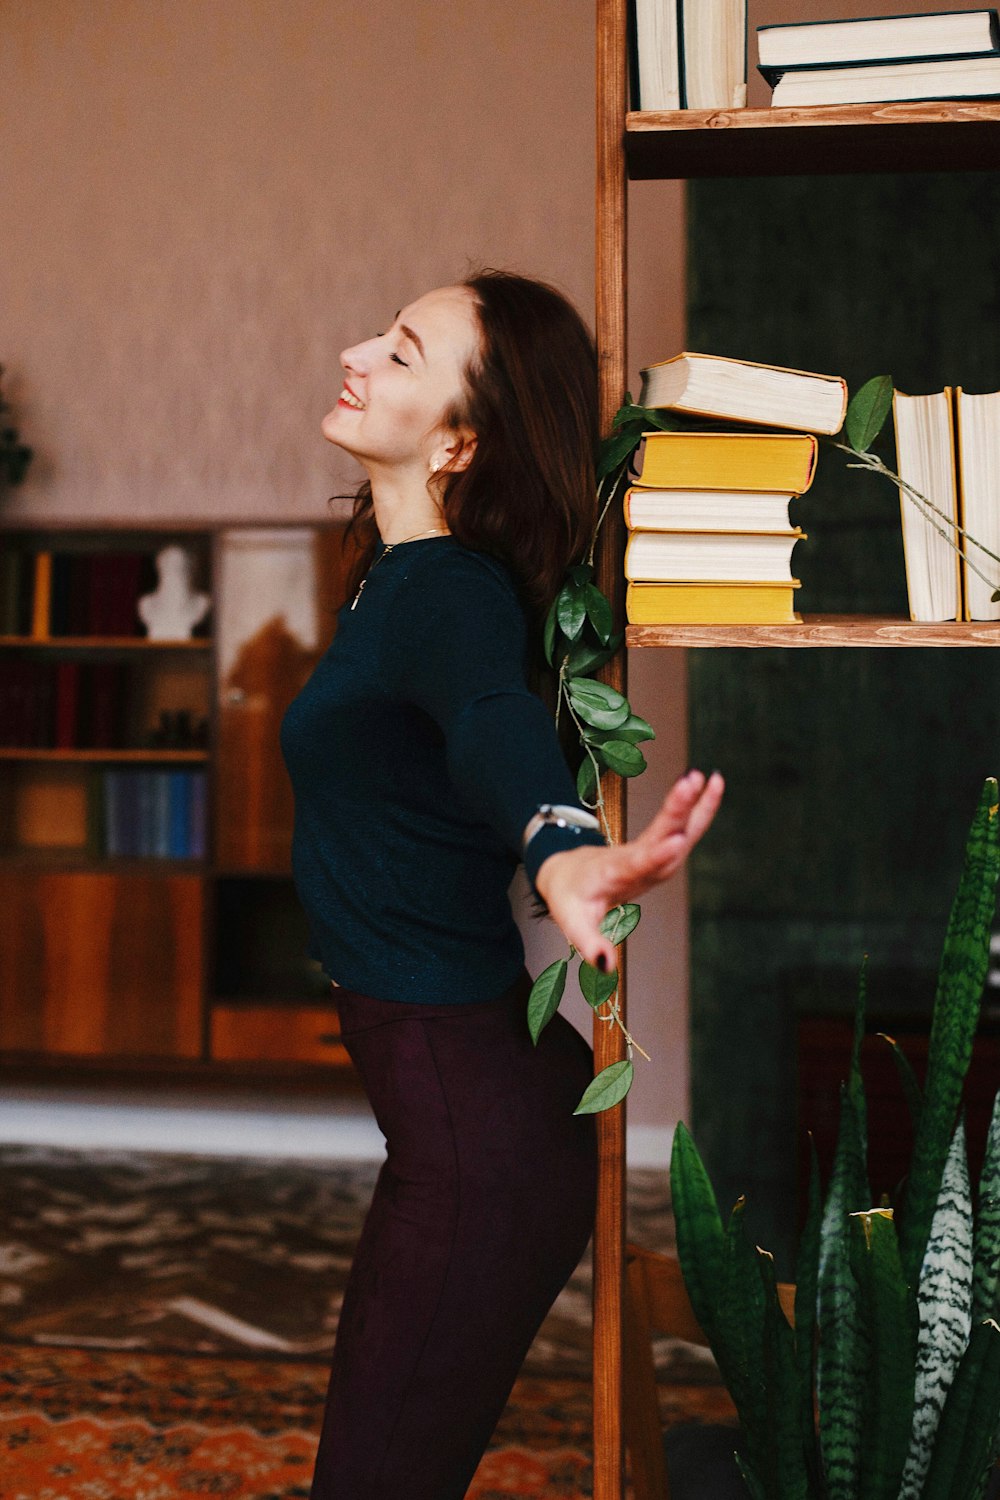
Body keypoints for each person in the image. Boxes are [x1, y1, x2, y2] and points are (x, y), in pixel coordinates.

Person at [280, 269, 724, 1500]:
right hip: (462, 1105)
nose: (358, 349)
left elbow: (491, 724)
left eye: (405, 352)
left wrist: (565, 846)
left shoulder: (450, 594)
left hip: (477, 1131)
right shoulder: (394, 578)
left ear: (461, 440)